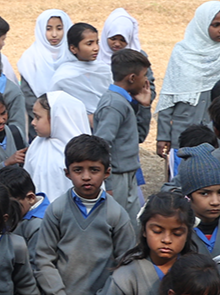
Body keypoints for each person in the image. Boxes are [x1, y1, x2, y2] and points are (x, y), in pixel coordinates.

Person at [34, 135, 136, 295]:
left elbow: (126, 263)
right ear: (67, 173)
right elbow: (43, 259)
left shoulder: (116, 215)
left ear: (107, 172)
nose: (86, 176)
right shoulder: (57, 210)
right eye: (78, 170)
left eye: (94, 170)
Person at [99, 192, 197, 295]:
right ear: (144, 230)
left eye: (177, 233)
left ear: (187, 234)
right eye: (157, 231)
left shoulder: (196, 271)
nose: (166, 239)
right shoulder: (126, 276)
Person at [155, 1, 220, 157]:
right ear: (202, 25)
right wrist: (163, 135)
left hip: (217, 139)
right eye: (216, 25)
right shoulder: (182, 53)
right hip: (182, 134)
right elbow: (169, 96)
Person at [93, 48, 153, 219]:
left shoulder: (124, 102)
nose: (146, 81)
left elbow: (139, 136)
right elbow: (102, 145)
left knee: (130, 224)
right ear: (132, 78)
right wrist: (108, 182)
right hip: (117, 177)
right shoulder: (114, 104)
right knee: (119, 225)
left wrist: (145, 107)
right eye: (144, 75)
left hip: (128, 173)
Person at [24, 91, 89, 200]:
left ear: (56, 118)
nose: (33, 122)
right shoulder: (36, 144)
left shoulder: (79, 151)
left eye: (38, 117)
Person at [50, 23, 113, 113]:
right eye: (89, 44)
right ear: (73, 49)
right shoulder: (63, 77)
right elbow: (55, 106)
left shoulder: (105, 70)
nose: (96, 48)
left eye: (97, 42)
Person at [17, 9, 73, 111]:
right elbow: (28, 94)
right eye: (48, 29)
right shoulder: (30, 57)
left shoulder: (72, 53)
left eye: (59, 28)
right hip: (38, 118)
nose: (54, 34)